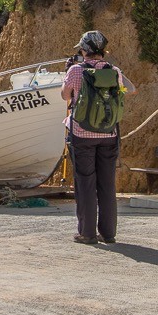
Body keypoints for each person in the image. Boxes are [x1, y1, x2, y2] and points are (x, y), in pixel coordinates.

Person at [59, 30, 134, 245]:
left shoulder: (76, 70)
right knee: (107, 184)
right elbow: (128, 90)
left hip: (82, 134)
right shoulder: (114, 71)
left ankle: (87, 233)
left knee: (85, 183)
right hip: (109, 134)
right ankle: (108, 233)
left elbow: (65, 96)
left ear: (84, 50)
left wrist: (69, 71)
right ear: (103, 50)